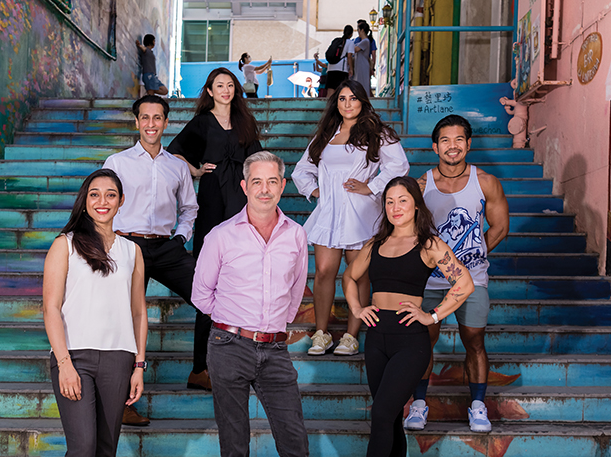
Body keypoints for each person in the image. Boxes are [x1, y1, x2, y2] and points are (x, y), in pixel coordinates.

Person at [192, 152, 360, 457]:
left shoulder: (296, 235)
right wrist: (234, 326)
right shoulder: (221, 236)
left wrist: (274, 327)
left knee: (295, 449)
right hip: (229, 346)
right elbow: (201, 294)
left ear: (282, 186)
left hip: (276, 351)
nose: (265, 189)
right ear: (245, 186)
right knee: (236, 450)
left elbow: (294, 291)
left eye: (273, 181)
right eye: (257, 181)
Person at [337, 176, 473, 457]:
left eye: (402, 201)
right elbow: (349, 277)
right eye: (390, 202)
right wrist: (356, 308)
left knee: (381, 413)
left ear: (416, 204)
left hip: (410, 339)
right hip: (376, 336)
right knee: (390, 415)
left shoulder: (429, 244)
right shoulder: (376, 243)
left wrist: (433, 315)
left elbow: (464, 283)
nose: (395, 208)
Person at [42, 169, 147, 457]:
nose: (102, 201)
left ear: (121, 201)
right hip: (76, 358)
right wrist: (64, 362)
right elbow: (51, 308)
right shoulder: (64, 246)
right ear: (84, 199)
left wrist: (139, 364)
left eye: (110, 194)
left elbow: (138, 311)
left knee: (106, 452)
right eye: (95, 194)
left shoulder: (133, 252)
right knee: (82, 447)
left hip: (120, 359)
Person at [405, 114, 510, 433]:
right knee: (423, 341)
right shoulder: (421, 185)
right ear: (435, 146)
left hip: (472, 280)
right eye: (446, 140)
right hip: (430, 280)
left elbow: (500, 226)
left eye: (459, 140)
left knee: (474, 340)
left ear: (469, 144)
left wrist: (474, 255)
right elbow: (407, 229)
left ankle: (478, 406)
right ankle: (419, 404)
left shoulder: (487, 182)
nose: (453, 146)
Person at [292, 79, 409, 357]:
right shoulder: (326, 133)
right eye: (342, 99)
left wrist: (373, 187)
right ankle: (321, 334)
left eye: (353, 98)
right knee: (323, 272)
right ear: (337, 103)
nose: (347, 104)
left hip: (361, 212)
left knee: (358, 274)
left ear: (363, 101)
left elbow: (399, 165)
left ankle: (351, 335)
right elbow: (301, 170)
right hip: (329, 213)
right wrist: (316, 190)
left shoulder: (377, 133)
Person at [103, 95, 202, 410]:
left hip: (165, 246)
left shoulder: (177, 166)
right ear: (136, 122)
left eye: (157, 118)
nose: (151, 124)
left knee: (209, 296)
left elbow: (189, 208)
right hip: (127, 245)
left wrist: (180, 237)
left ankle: (201, 370)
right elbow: (101, 206)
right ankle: (122, 404)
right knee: (124, 318)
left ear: (165, 122)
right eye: (145, 118)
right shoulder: (117, 163)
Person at [168, 68, 264, 389]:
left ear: (236, 90)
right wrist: (195, 170)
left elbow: (259, 160)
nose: (225, 90)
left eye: (230, 85)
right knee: (208, 285)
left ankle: (235, 364)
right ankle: (200, 369)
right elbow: (173, 153)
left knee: (239, 283)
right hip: (211, 201)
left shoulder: (244, 123)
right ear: (209, 91)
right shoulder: (201, 123)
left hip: (241, 202)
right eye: (219, 85)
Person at [324, 25, 356, 98]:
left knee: (330, 92)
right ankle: (337, 108)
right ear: (351, 34)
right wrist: (351, 69)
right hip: (341, 70)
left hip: (331, 69)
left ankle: (328, 108)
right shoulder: (349, 42)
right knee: (341, 92)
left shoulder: (336, 40)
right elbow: (349, 56)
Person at [351, 21, 377, 96]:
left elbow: (355, 49)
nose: (358, 32)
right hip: (359, 65)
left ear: (362, 30)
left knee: (362, 84)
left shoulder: (365, 41)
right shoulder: (363, 41)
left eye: (358, 30)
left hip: (363, 66)